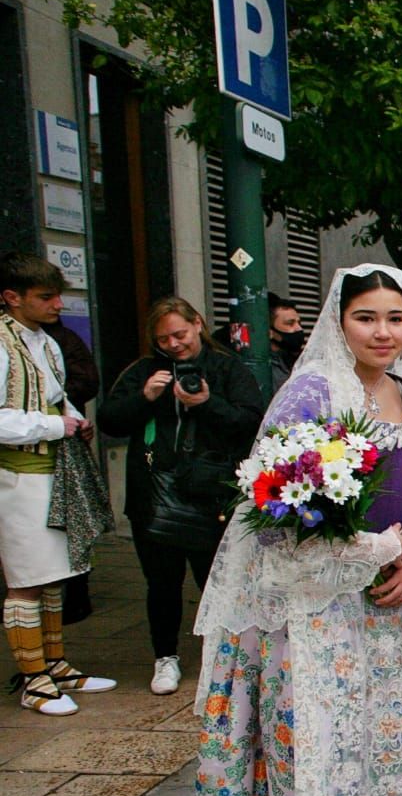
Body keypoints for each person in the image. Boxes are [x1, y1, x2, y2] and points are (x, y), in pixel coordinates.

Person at [192, 264, 402, 796]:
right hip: (317, 603)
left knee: (393, 737)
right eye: (368, 317)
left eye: (397, 318)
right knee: (329, 738)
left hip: (392, 601)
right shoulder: (309, 393)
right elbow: (271, 511)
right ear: (340, 320)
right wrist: (366, 551)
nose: (384, 331)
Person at [100, 296, 265, 695]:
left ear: (197, 323)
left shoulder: (227, 368)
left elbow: (250, 422)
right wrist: (146, 398)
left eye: (180, 334)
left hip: (211, 496)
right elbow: (109, 420)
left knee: (216, 580)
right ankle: (165, 657)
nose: (174, 345)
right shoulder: (143, 371)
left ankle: (221, 658)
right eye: (163, 339)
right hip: (154, 495)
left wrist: (207, 404)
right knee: (161, 582)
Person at [0, 252, 114, 715]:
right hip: (16, 477)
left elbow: (56, 397)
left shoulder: (45, 341)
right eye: (45, 296)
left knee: (53, 578)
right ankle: (33, 680)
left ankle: (55, 664)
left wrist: (72, 420)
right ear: (11, 297)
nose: (57, 304)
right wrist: (54, 427)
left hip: (54, 473)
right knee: (26, 580)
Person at [40, 315, 100, 624]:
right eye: (48, 296)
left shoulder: (57, 340)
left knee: (74, 522)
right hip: (35, 447)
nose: (58, 304)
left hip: (62, 448)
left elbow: (84, 383)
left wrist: (66, 417)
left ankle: (77, 595)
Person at [267, 292, 304, 395]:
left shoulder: (297, 360)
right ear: (270, 332)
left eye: (299, 323)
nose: (299, 329)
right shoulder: (266, 368)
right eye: (290, 323)